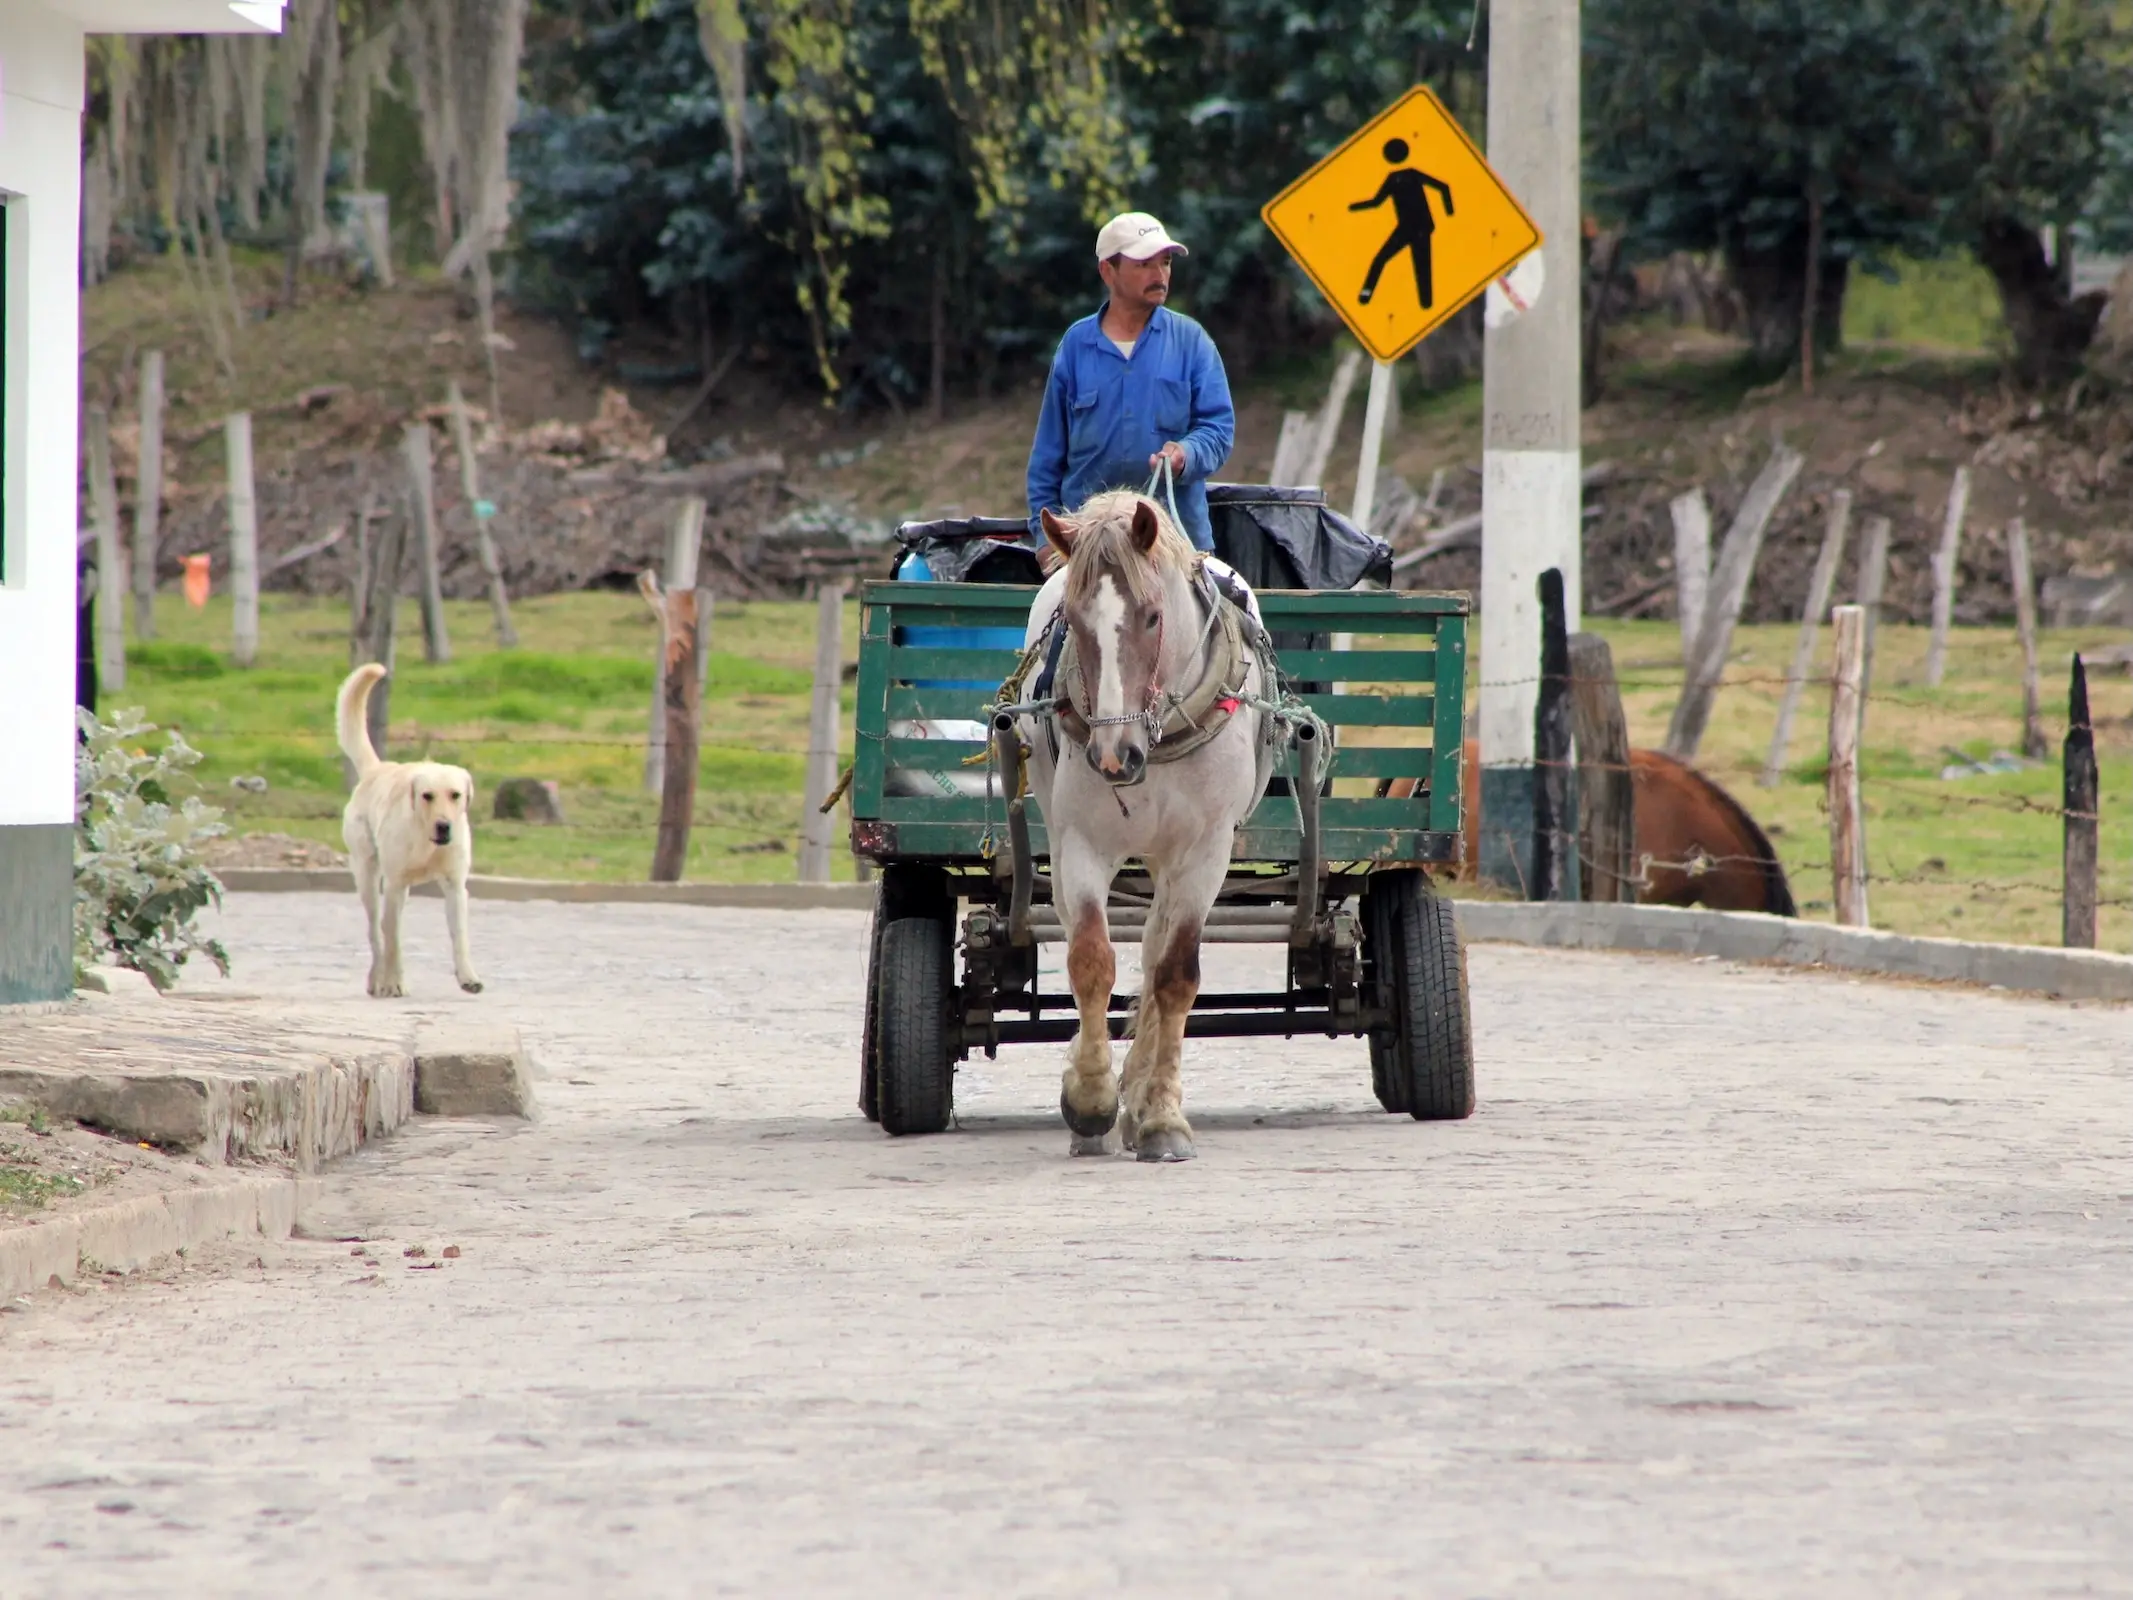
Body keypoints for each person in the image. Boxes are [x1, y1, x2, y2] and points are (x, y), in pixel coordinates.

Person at [1026, 212, 1236, 567]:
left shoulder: (1191, 341)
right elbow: (1047, 456)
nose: (1160, 274)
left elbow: (1218, 429)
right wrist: (1046, 541)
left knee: (1229, 613)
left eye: (1166, 263)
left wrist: (1186, 453)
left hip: (1176, 546)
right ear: (1108, 271)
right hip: (1088, 548)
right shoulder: (1076, 346)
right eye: (1144, 264)